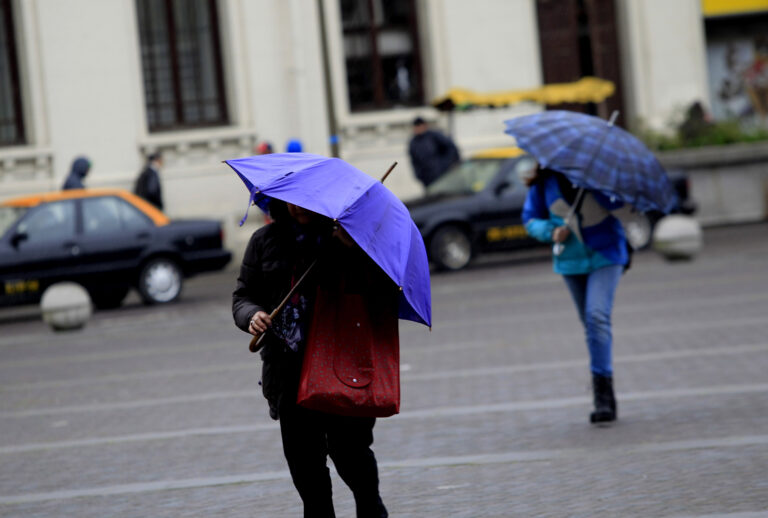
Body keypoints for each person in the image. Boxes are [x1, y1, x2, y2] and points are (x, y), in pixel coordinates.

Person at [232, 200, 391, 518]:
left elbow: (383, 293)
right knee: (307, 472)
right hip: (289, 373)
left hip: (342, 366)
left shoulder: (348, 238)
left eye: (304, 202)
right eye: (289, 201)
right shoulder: (264, 241)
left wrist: (352, 251)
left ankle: (372, 510)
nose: (296, 207)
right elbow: (243, 295)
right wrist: (253, 314)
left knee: (352, 455)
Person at [521, 167, 629, 424]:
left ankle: (604, 397)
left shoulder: (600, 176)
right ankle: (602, 380)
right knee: (591, 325)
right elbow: (530, 218)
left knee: (596, 316)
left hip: (606, 255)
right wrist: (550, 231)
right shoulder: (545, 182)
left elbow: (622, 208)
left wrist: (597, 187)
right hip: (570, 261)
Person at [407, 116, 460, 188]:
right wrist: (419, 175)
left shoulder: (434, 136)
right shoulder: (413, 143)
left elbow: (451, 148)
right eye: (416, 126)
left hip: (442, 175)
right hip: (427, 178)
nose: (418, 129)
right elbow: (414, 161)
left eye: (419, 126)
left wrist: (446, 165)